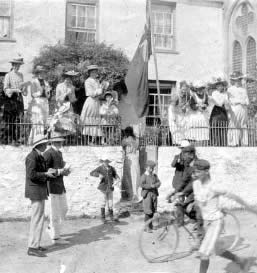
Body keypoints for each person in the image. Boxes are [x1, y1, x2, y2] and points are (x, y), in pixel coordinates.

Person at [192, 159, 250, 273]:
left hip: (216, 223)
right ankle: (240, 260)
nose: (196, 174)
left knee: (204, 254)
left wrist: (248, 207)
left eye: (198, 171)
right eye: (195, 171)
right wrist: (192, 204)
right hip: (206, 223)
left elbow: (232, 196)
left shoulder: (214, 186)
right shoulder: (196, 184)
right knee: (218, 250)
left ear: (206, 171)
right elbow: (200, 199)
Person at [25, 134, 56, 257]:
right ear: (40, 145)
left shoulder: (38, 156)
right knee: (37, 219)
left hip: (39, 191)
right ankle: (32, 247)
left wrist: (48, 173)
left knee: (39, 218)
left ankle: (35, 245)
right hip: (35, 191)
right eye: (45, 144)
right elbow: (31, 175)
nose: (46, 146)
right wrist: (46, 174)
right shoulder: (32, 157)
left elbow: (38, 173)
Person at [43, 131, 71, 244]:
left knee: (64, 209)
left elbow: (60, 165)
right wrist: (59, 171)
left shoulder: (59, 153)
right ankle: (56, 237)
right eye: (58, 141)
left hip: (60, 186)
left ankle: (50, 227)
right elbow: (45, 170)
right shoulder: (48, 153)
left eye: (61, 141)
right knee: (55, 213)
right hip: (51, 187)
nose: (60, 143)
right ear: (53, 141)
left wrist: (66, 169)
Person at [80, 65, 109, 144]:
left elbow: (100, 93)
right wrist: (100, 89)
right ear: (89, 73)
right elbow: (91, 93)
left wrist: (103, 88)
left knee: (97, 119)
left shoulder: (97, 80)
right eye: (93, 72)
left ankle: (95, 140)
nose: (94, 73)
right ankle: (88, 139)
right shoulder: (88, 81)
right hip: (91, 101)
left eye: (95, 72)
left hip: (97, 101)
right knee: (89, 119)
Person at [3, 57, 28, 144]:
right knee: (11, 119)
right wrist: (15, 90)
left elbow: (23, 89)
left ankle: (18, 139)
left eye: (19, 65)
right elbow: (5, 89)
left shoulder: (21, 75)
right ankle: (10, 139)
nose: (17, 67)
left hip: (19, 99)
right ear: (13, 65)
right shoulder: (8, 75)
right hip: (11, 100)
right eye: (16, 65)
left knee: (19, 119)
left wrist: (25, 89)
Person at [90, 157, 120, 223]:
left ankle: (111, 217)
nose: (105, 162)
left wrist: (117, 179)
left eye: (107, 161)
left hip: (110, 188)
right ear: (102, 161)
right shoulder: (100, 168)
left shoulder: (111, 168)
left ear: (108, 162)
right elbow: (91, 173)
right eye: (104, 161)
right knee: (103, 203)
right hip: (103, 188)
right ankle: (103, 218)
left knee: (111, 204)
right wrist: (98, 175)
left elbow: (116, 176)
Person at [50, 70, 79, 134]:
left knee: (70, 121)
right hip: (61, 106)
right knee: (60, 121)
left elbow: (73, 99)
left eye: (70, 79)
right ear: (64, 79)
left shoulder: (72, 87)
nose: (68, 80)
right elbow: (57, 98)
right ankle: (59, 136)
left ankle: (68, 137)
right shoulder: (59, 86)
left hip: (69, 106)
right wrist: (65, 93)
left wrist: (74, 98)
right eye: (67, 79)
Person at [28, 65, 51, 144]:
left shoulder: (46, 82)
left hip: (45, 102)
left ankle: (42, 139)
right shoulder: (34, 81)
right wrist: (40, 92)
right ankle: (36, 139)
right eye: (40, 72)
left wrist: (48, 93)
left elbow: (48, 95)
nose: (41, 74)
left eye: (43, 72)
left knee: (44, 120)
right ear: (37, 73)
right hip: (37, 102)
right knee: (38, 120)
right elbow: (32, 94)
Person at [227, 71, 249, 146]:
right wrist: (239, 101)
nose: (238, 81)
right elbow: (230, 100)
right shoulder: (230, 89)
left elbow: (247, 100)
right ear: (233, 80)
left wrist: (244, 102)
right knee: (234, 124)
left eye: (239, 79)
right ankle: (233, 142)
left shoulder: (243, 89)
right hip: (235, 108)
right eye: (236, 79)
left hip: (243, 108)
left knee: (243, 124)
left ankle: (244, 142)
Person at [121, 126, 141, 202]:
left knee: (128, 177)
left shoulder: (125, 139)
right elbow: (137, 147)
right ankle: (136, 194)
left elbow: (122, 145)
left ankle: (131, 194)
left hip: (129, 157)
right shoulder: (136, 139)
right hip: (135, 157)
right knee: (136, 176)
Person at [141, 160, 161, 233]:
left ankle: (151, 225)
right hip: (147, 195)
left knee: (153, 210)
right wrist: (150, 186)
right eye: (150, 168)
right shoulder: (144, 176)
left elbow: (159, 182)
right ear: (146, 168)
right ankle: (146, 227)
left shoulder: (154, 176)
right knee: (148, 211)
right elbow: (142, 185)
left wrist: (155, 185)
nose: (151, 170)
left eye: (152, 168)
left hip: (154, 194)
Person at [209, 78, 229, 146]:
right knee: (215, 127)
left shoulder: (225, 94)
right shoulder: (214, 93)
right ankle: (215, 144)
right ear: (216, 86)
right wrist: (224, 100)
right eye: (218, 86)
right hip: (216, 112)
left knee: (223, 127)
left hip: (223, 112)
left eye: (221, 86)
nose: (220, 87)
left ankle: (223, 144)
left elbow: (226, 104)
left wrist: (225, 100)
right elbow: (218, 103)